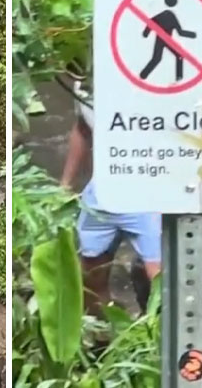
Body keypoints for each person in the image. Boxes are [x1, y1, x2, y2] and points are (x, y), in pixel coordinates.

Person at [60, 81, 162, 317]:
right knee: (89, 274)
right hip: (101, 194)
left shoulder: (149, 81)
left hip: (148, 192)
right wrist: (65, 184)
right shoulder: (84, 83)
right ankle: (104, 340)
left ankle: (165, 344)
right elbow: (83, 129)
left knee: (158, 277)